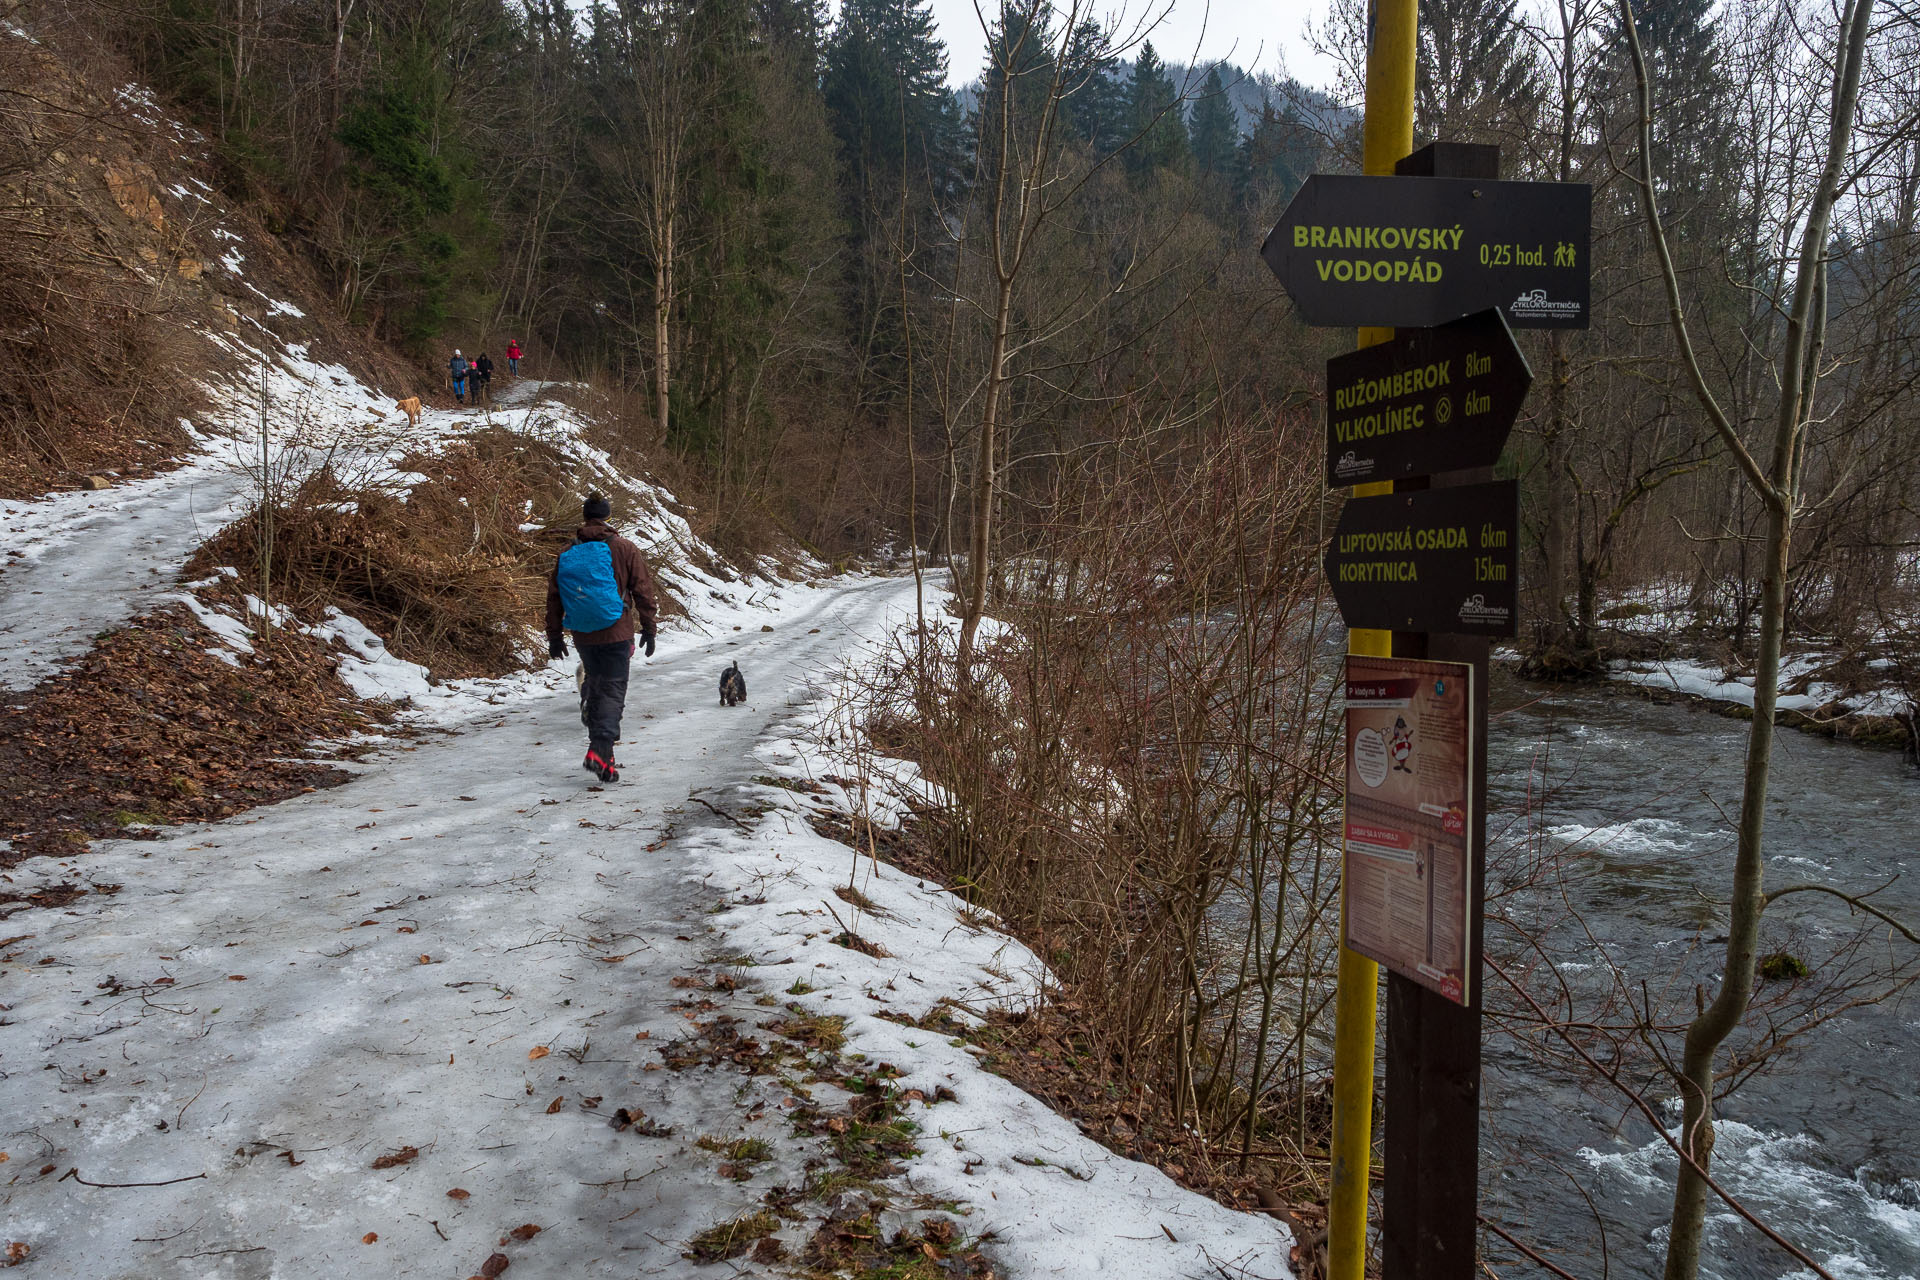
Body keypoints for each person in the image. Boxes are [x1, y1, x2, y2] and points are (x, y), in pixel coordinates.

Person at [546, 494, 658, 782]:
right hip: (616, 631)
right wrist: (649, 627)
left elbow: (555, 598)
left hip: (583, 633)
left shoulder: (567, 551)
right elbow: (643, 590)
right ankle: (599, 750)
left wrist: (555, 636)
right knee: (611, 691)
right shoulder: (623, 547)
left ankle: (605, 760)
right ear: (608, 517)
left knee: (595, 688)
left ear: (584, 518)